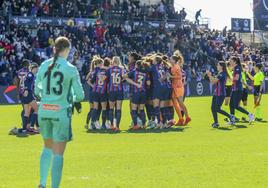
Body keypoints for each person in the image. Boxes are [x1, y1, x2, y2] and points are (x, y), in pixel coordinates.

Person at [35, 37, 84, 188]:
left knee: (46, 147)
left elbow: (37, 90)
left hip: (44, 111)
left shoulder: (44, 64)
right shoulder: (70, 68)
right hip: (60, 113)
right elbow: (80, 95)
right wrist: (71, 97)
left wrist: (47, 98)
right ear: (67, 50)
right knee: (58, 153)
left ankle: (42, 183)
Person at [206, 62, 235, 128]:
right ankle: (216, 123)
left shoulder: (222, 74)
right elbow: (212, 82)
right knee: (213, 108)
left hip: (220, 93)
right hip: (216, 93)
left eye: (218, 65)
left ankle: (230, 116)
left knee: (217, 109)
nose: (217, 66)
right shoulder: (220, 74)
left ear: (221, 66)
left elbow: (213, 81)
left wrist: (209, 75)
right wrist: (209, 76)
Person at [229, 56, 254, 125]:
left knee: (236, 106)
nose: (229, 62)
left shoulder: (237, 68)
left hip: (238, 89)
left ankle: (250, 114)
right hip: (235, 88)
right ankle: (232, 120)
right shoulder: (235, 68)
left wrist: (230, 77)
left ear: (234, 61)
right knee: (231, 104)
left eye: (231, 61)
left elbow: (236, 78)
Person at [125, 60, 149, 130]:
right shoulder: (145, 73)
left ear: (136, 65)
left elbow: (125, 77)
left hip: (136, 92)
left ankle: (135, 125)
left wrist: (134, 83)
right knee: (141, 109)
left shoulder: (134, 71)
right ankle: (144, 125)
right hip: (143, 92)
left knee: (134, 109)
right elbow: (148, 83)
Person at [170, 53, 191, 126]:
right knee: (175, 102)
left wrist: (170, 76)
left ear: (174, 60)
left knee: (180, 103)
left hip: (178, 86)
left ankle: (187, 117)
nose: (170, 60)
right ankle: (181, 118)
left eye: (171, 59)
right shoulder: (174, 66)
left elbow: (179, 76)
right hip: (175, 86)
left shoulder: (176, 67)